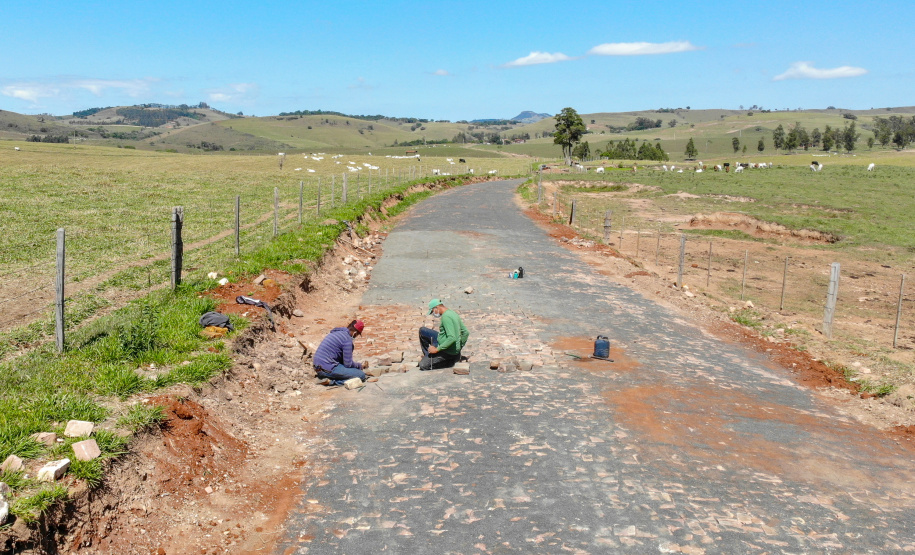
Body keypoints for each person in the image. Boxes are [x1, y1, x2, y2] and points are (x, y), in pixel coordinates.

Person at [419, 299, 469, 371]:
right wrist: (459, 347)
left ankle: (450, 362)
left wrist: (437, 349)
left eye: (433, 311)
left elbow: (452, 338)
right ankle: (428, 355)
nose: (433, 313)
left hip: (447, 351)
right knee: (423, 331)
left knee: (423, 365)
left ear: (437, 308)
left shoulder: (446, 317)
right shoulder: (452, 313)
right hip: (443, 340)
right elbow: (466, 332)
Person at [314, 320, 368, 385]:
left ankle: (325, 377)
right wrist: (359, 366)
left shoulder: (337, 332)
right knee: (361, 375)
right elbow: (348, 364)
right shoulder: (347, 340)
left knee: (349, 370)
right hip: (326, 368)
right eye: (357, 335)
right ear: (355, 333)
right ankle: (331, 382)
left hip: (317, 367)